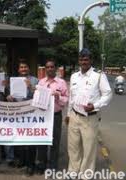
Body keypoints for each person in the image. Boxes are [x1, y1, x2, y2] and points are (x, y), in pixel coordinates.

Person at [65, 48, 112, 179]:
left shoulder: (99, 76)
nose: (84, 61)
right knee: (73, 147)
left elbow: (107, 94)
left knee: (89, 148)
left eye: (86, 59)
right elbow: (71, 98)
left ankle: (85, 174)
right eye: (81, 59)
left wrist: (95, 106)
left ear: (91, 60)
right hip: (74, 116)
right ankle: (73, 172)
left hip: (90, 118)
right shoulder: (74, 76)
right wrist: (68, 114)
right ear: (78, 60)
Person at [36, 59, 69, 173]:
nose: (49, 69)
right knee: (42, 141)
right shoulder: (41, 82)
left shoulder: (61, 83)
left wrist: (58, 97)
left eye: (52, 67)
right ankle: (41, 165)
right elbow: (37, 98)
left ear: (55, 68)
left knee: (55, 141)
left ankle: (53, 166)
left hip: (55, 115)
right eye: (47, 67)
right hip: (43, 116)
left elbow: (66, 100)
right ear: (45, 69)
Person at [7, 59, 38, 176]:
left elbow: (39, 96)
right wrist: (10, 97)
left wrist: (30, 87)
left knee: (31, 140)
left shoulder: (35, 80)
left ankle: (31, 165)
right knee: (19, 138)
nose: (23, 69)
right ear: (18, 70)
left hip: (31, 115)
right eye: (21, 67)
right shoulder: (13, 81)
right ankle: (22, 160)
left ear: (28, 68)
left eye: (25, 67)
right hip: (18, 114)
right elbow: (12, 97)